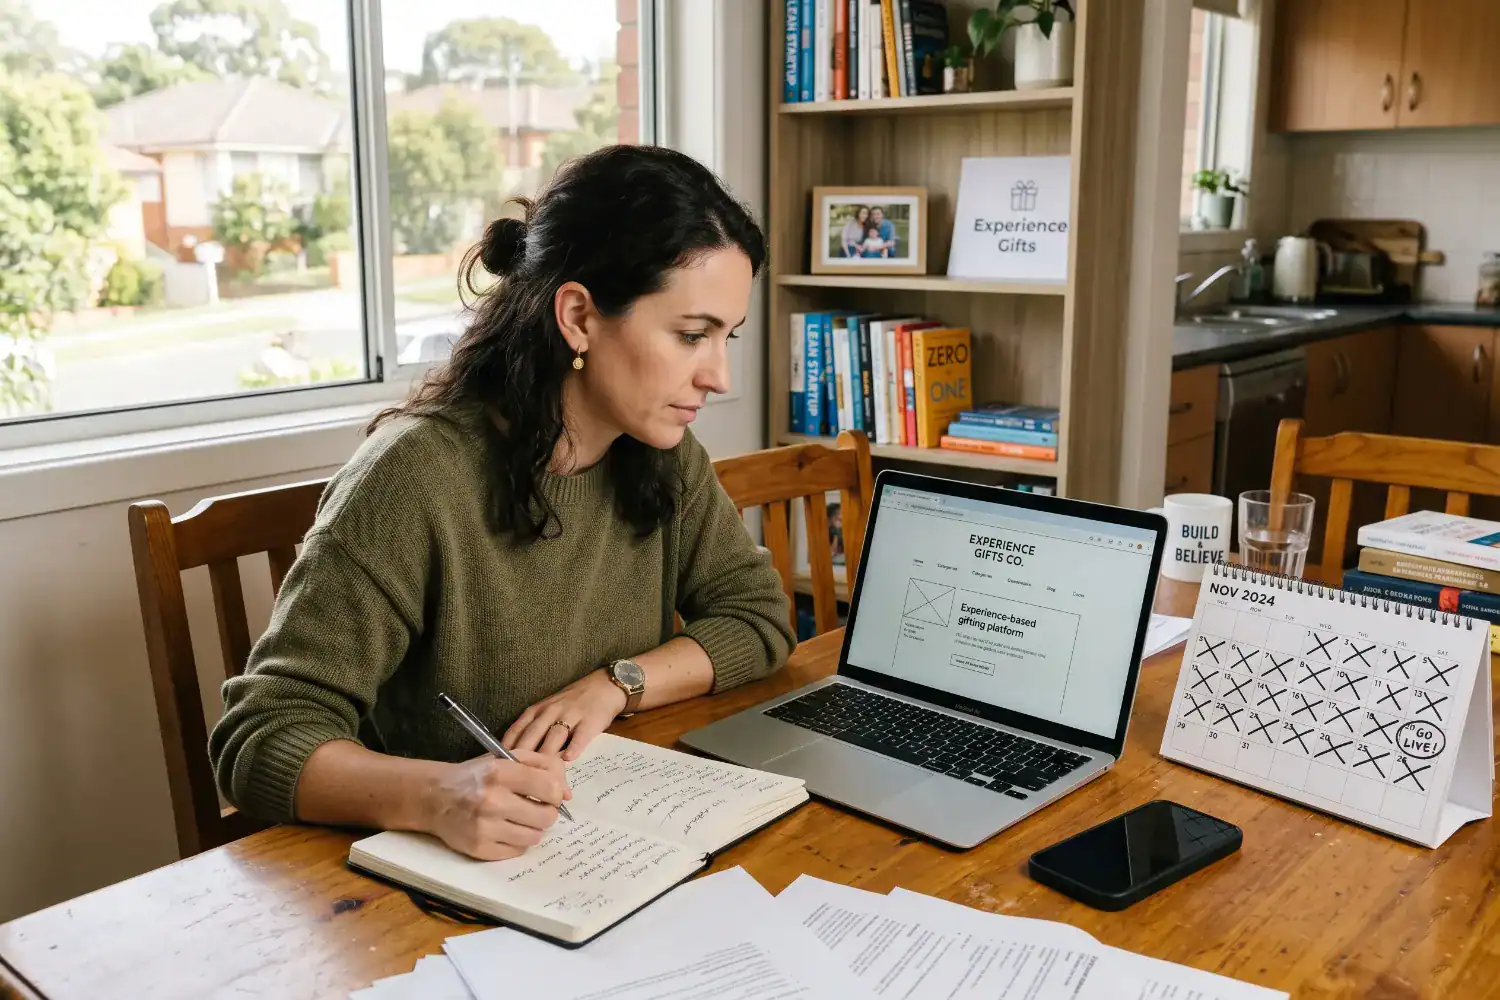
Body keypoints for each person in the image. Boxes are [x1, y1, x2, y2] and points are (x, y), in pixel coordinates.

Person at [209, 144, 796, 863]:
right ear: (579, 317)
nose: (720, 377)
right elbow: (260, 737)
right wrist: (439, 795)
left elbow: (759, 617)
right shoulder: (414, 478)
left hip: (597, 846)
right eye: (690, 335)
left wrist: (617, 684)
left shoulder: (665, 456)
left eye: (725, 336)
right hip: (430, 887)